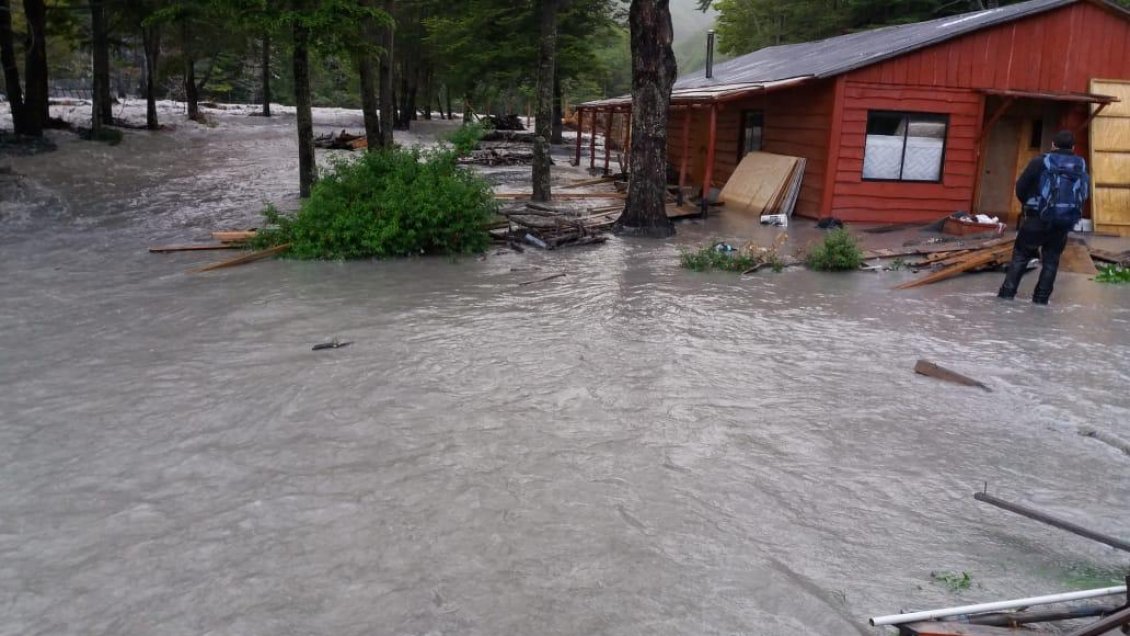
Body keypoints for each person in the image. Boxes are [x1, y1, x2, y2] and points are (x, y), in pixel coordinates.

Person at [997, 129, 1088, 304]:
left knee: (1021, 257)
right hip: (1063, 221)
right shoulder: (1079, 165)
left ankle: (1006, 296)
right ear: (1073, 147)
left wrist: (1029, 205)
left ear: (1053, 145)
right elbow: (1082, 193)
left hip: (1036, 217)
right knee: (1051, 261)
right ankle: (1041, 300)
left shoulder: (1040, 161)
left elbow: (1021, 187)